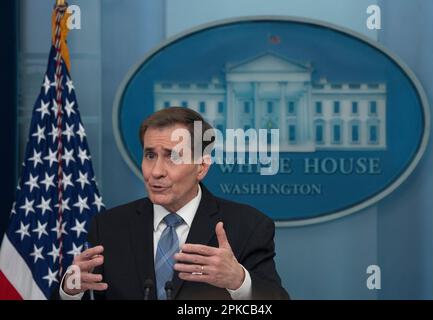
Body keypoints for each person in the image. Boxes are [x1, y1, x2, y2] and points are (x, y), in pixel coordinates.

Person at [57, 107, 289, 300]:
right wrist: (70, 290)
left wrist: (238, 281)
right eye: (150, 155)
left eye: (172, 156)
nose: (156, 172)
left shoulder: (247, 226)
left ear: (202, 167)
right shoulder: (108, 226)